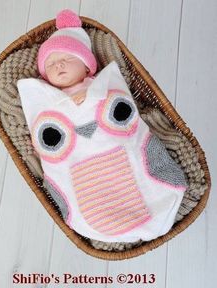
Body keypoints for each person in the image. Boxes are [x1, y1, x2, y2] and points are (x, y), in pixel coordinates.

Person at [17, 9, 188, 243]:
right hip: (78, 165)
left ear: (88, 67)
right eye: (52, 64)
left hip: (114, 146)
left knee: (129, 137)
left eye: (67, 59)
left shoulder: (100, 84)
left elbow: (123, 109)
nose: (59, 66)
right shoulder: (48, 99)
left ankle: (157, 194)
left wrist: (92, 101)